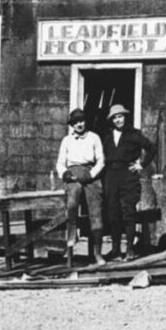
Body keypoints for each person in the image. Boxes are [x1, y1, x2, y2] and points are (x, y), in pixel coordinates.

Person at [102, 104, 157, 261]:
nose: (118, 120)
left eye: (120, 116)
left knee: (129, 212)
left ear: (125, 117)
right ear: (111, 120)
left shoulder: (134, 134)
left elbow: (151, 148)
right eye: (115, 118)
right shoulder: (107, 136)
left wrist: (141, 164)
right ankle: (116, 251)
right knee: (113, 213)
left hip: (128, 175)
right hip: (111, 175)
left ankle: (130, 250)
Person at [56, 108, 106, 266]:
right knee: (72, 203)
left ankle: (97, 253)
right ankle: (72, 239)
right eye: (76, 122)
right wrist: (65, 174)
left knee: (96, 212)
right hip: (73, 174)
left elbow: (101, 161)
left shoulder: (94, 138)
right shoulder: (67, 140)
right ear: (72, 124)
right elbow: (60, 163)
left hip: (90, 175)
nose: (79, 124)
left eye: (82, 121)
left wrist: (91, 175)